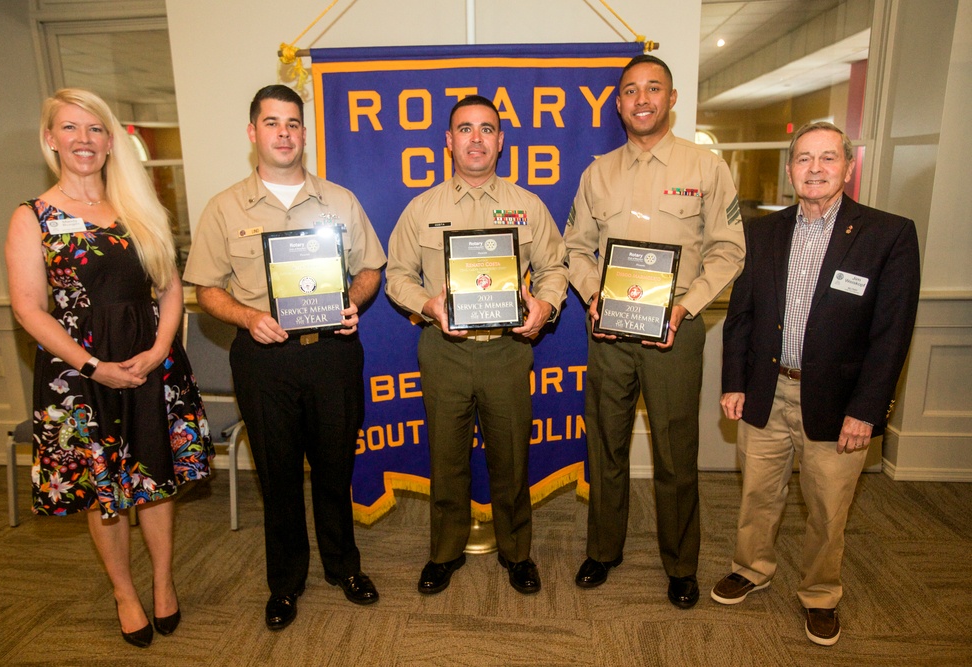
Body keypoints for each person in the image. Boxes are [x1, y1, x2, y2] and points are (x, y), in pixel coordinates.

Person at [5, 88, 214, 648]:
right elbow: (28, 307)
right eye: (70, 128)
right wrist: (94, 365)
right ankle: (125, 591)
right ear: (50, 139)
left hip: (153, 364)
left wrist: (160, 348)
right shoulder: (33, 217)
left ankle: (164, 582)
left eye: (95, 129)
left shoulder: (140, 205)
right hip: (79, 376)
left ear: (110, 140)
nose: (84, 140)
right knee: (107, 488)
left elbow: (170, 288)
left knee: (154, 478)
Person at [183, 84, 385, 630]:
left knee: (334, 467)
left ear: (303, 132)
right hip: (264, 359)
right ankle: (285, 582)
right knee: (276, 475)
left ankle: (344, 567)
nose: (284, 133)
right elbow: (206, 289)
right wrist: (249, 317)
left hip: (333, 354)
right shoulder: (225, 207)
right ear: (253, 133)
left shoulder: (340, 200)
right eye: (272, 123)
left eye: (293, 123)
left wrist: (353, 301)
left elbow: (370, 269)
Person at [710, 122, 921, 645]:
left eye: (828, 159)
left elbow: (892, 335)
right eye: (804, 159)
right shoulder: (763, 232)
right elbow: (742, 317)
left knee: (828, 506)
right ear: (790, 170)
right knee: (757, 495)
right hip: (766, 390)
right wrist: (734, 381)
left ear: (848, 168)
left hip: (839, 400)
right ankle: (752, 567)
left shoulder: (887, 235)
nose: (815, 169)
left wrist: (867, 410)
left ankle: (820, 594)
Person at [563, 54, 745, 608]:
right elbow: (574, 248)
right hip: (610, 332)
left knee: (674, 451)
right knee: (606, 445)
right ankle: (603, 549)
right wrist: (594, 296)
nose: (641, 99)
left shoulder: (705, 168)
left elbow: (729, 249)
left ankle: (680, 564)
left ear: (671, 99)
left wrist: (685, 306)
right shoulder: (598, 172)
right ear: (618, 103)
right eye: (630, 91)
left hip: (676, 330)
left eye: (653, 89)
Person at [385, 95, 568, 595]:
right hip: (443, 350)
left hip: (507, 350)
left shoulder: (528, 206)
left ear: (501, 141)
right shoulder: (422, 208)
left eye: (487, 129)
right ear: (448, 141)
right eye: (465, 129)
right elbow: (396, 275)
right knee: (446, 458)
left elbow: (555, 268)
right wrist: (429, 306)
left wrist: (544, 307)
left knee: (511, 458)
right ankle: (444, 553)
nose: (476, 138)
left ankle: (517, 553)